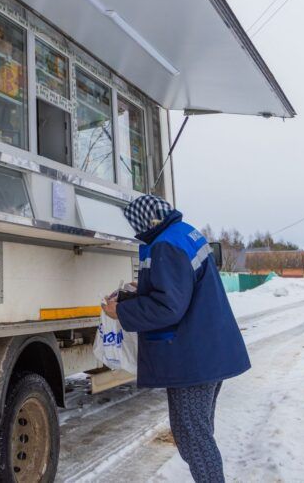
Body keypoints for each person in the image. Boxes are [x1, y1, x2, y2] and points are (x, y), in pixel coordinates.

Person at [101, 194, 249, 483]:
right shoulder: (183, 234)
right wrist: (135, 290)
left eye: (136, 224)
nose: (135, 231)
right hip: (207, 352)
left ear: (146, 220)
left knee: (194, 440)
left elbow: (168, 306)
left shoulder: (165, 245)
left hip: (192, 359)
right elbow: (179, 287)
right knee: (196, 435)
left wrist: (121, 311)